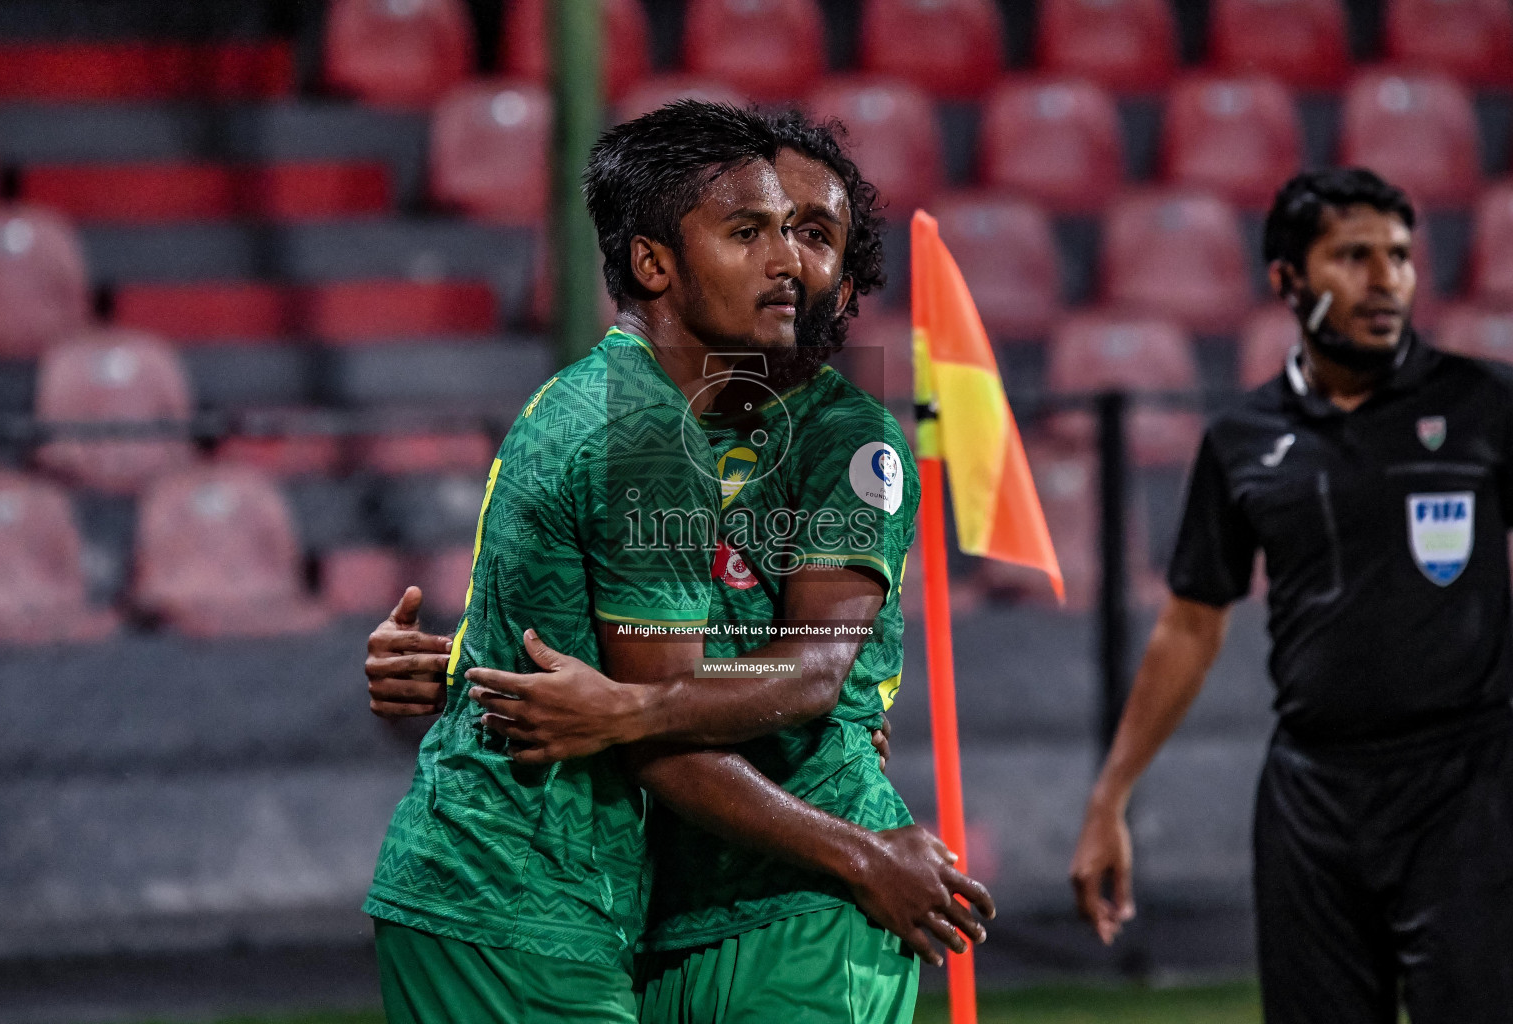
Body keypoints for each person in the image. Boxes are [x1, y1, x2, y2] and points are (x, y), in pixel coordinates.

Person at [364, 101, 987, 1024]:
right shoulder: (652, 425)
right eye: (757, 231)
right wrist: (462, 661)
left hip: (794, 888)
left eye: (814, 236)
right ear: (666, 260)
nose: (788, 263)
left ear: (850, 282)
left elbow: (810, 673)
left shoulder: (848, 438)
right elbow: (601, 641)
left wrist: (624, 711)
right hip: (650, 899)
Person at [1069, 167, 1513, 1023]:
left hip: (1469, 790)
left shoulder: (1483, 405)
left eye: (1398, 256)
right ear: (1287, 281)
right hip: (1313, 802)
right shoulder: (1242, 441)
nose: (1386, 279)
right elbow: (1191, 626)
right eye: (1353, 256)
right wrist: (1109, 798)